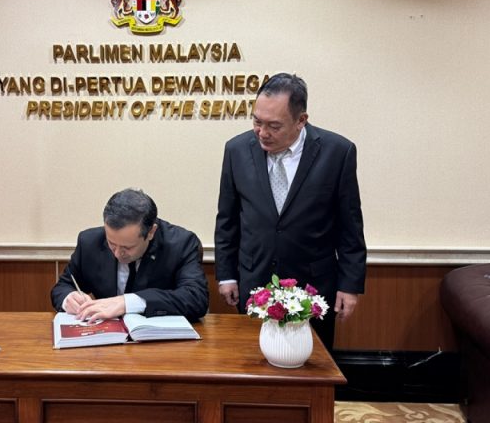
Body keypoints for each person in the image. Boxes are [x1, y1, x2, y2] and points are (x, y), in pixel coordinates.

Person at [214, 72, 367, 350]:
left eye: (274, 126)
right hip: (255, 282)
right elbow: (227, 219)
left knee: (310, 363)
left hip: (313, 286)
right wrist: (226, 275)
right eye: (257, 122)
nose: (262, 133)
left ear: (301, 120)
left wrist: (350, 285)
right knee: (252, 360)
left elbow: (350, 225)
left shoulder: (337, 152)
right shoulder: (236, 150)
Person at [51, 188, 209, 322]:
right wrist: (69, 298)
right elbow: (62, 287)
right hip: (104, 338)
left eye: (128, 247)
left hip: (158, 341)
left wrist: (128, 303)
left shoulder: (181, 244)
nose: (117, 253)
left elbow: (196, 298)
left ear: (151, 232)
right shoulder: (89, 242)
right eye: (112, 244)